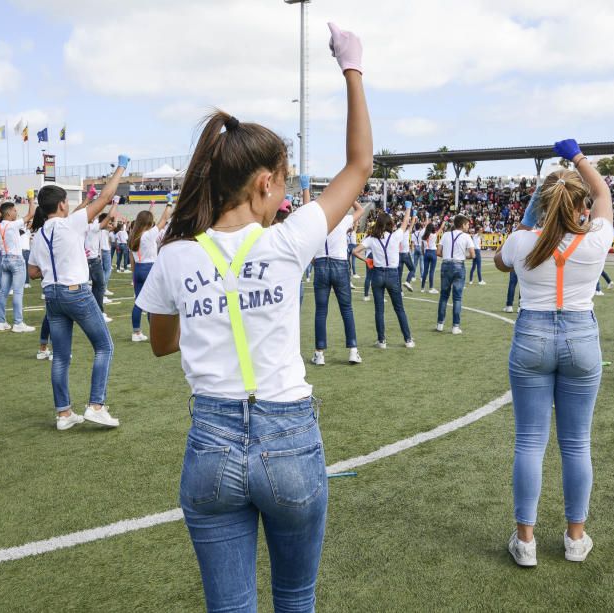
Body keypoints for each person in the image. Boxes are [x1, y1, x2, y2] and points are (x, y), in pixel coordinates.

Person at [138, 22, 370, 611]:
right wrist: (352, 68)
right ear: (265, 183)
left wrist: (214, 304)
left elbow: (162, 345)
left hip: (211, 444)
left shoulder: (175, 256)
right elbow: (359, 165)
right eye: (283, 183)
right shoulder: (286, 242)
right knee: (296, 599)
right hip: (288, 436)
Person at [493, 139, 614, 567]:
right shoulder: (596, 241)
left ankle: (526, 541)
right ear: (579, 207)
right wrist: (578, 158)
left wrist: (529, 219)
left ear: (541, 205)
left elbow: (500, 263)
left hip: (532, 336)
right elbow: (603, 195)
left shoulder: (522, 241)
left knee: (529, 442)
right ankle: (574, 538)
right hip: (581, 337)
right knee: (576, 444)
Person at [27, 157, 127, 431]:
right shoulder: (70, 223)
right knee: (104, 346)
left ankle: (64, 414)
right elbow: (106, 196)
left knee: (61, 357)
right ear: (62, 205)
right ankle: (96, 406)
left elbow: (33, 272)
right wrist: (120, 168)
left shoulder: (39, 234)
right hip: (76, 292)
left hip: (52, 296)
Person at [353, 207, 416, 349]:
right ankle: (408, 340)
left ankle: (381, 341)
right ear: (390, 225)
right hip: (393, 275)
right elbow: (405, 222)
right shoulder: (395, 236)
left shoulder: (371, 239)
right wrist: (408, 208)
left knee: (379, 310)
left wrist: (367, 261)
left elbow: (355, 251)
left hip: (378, 274)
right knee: (399, 309)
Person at [311, 199, 364, 365]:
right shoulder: (342, 219)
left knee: (321, 311)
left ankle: (319, 354)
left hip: (321, 264)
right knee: (346, 309)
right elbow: (360, 210)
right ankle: (353, 351)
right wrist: (349, 198)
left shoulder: (316, 223)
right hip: (339, 264)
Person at [129, 204, 172, 342]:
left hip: (138, 270)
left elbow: (132, 259)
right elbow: (164, 219)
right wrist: (169, 203)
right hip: (149, 269)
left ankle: (136, 332)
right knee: (152, 303)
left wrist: (134, 274)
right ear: (148, 223)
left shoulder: (133, 236)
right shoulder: (147, 235)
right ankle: (154, 332)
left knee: (139, 302)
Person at [0, 198, 36, 332]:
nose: (16, 212)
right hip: (16, 260)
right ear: (8, 213)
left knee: (3, 293)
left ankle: (1, 322)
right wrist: (31, 200)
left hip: (4, 259)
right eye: (14, 210)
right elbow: (31, 214)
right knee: (18, 292)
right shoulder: (12, 225)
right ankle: (18, 323)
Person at [436, 214, 474, 334]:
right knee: (457, 298)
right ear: (463, 225)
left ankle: (440, 324)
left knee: (443, 296)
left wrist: (447, 256)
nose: (468, 226)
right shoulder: (467, 237)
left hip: (446, 265)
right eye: (467, 224)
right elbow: (473, 255)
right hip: (459, 265)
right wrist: (463, 257)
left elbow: (438, 252)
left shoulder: (446, 235)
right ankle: (455, 326)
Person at [419, 220, 438, 293]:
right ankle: (431, 288)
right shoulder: (434, 235)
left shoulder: (424, 236)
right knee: (431, 271)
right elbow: (439, 230)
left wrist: (424, 253)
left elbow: (422, 246)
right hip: (433, 252)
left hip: (426, 253)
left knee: (425, 271)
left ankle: (422, 288)